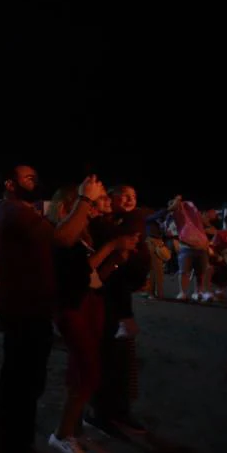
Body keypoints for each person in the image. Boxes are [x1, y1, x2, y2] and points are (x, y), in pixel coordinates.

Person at [0, 166, 103, 453]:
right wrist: (85, 200)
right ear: (10, 184)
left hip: (25, 303)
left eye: (35, 176)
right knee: (23, 378)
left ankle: (12, 439)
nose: (34, 180)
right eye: (27, 177)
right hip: (24, 304)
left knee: (21, 375)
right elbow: (62, 238)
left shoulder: (15, 211)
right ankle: (13, 444)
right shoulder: (15, 212)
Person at [46, 186, 139, 453]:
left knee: (80, 371)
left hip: (88, 303)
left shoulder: (83, 236)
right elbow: (81, 273)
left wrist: (116, 260)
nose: (93, 210)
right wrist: (111, 248)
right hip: (72, 308)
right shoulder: (63, 237)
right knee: (89, 371)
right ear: (67, 208)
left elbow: (94, 276)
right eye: (87, 205)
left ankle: (71, 431)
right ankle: (62, 435)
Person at [88, 185, 150, 436]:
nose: (129, 199)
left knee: (124, 360)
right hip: (105, 301)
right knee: (107, 359)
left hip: (122, 301)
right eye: (123, 195)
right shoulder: (102, 226)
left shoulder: (127, 223)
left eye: (133, 196)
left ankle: (121, 410)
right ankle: (102, 413)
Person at [168, 196, 213, 301]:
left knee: (200, 273)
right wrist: (177, 199)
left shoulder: (193, 215)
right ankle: (182, 292)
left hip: (201, 248)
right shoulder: (175, 216)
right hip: (186, 248)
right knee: (184, 271)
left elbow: (207, 227)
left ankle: (199, 292)